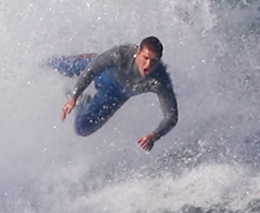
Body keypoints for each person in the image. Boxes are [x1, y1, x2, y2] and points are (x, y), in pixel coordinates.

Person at [49, 36, 178, 151]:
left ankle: (83, 101)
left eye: (154, 61)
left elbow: (171, 116)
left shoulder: (159, 80)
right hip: (101, 72)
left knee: (82, 128)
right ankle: (41, 60)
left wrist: (155, 135)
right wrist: (73, 96)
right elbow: (91, 71)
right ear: (138, 52)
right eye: (145, 58)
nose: (148, 64)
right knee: (59, 65)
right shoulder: (121, 54)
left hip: (114, 96)